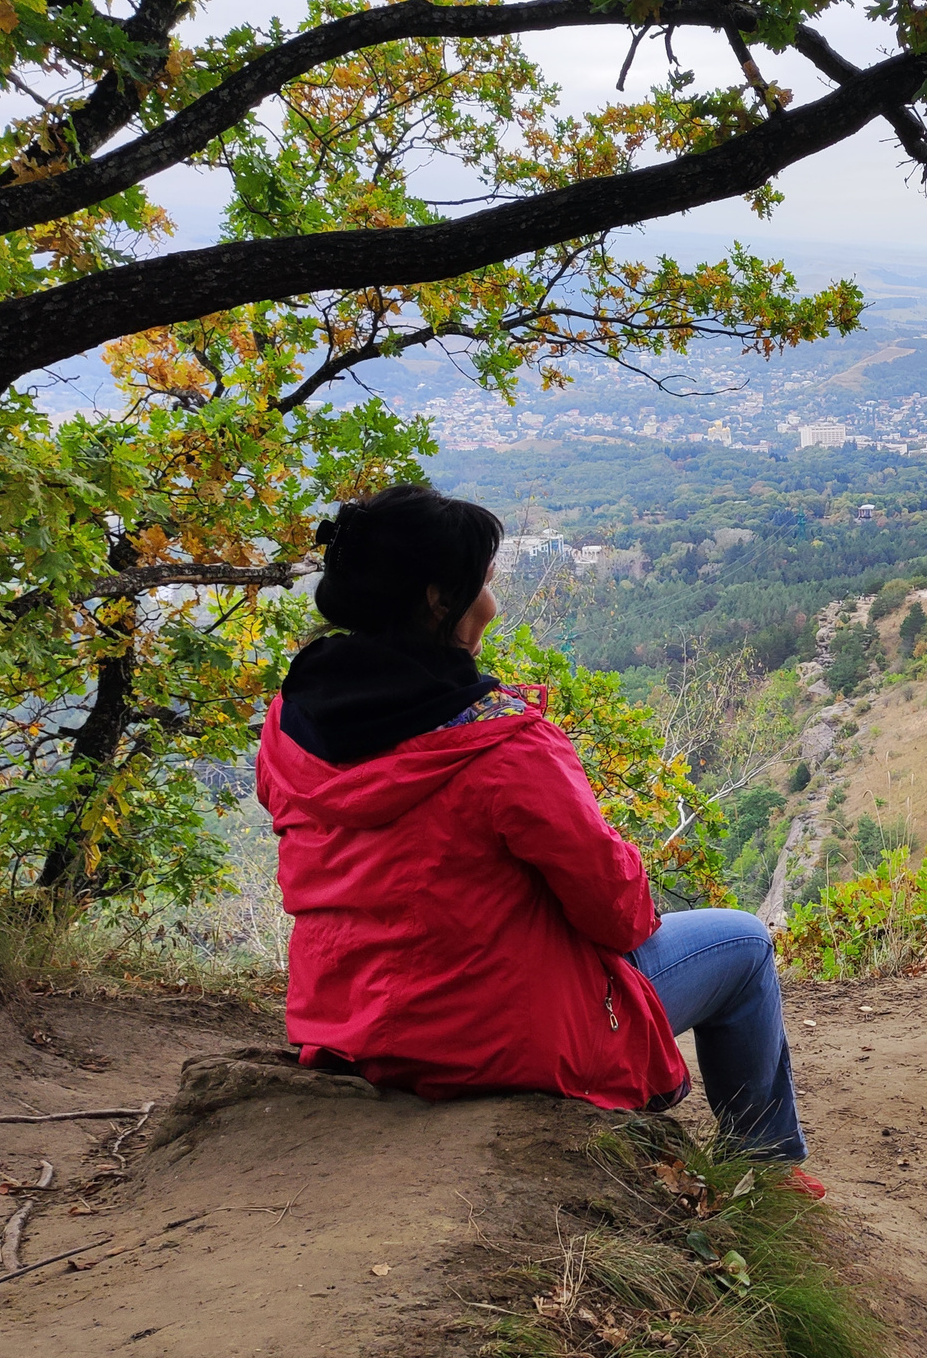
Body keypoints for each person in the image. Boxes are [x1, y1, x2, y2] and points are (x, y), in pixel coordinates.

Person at [253, 483, 808, 1165]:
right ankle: (766, 1169)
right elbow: (617, 915)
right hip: (486, 1033)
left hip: (346, 1022)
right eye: (484, 583)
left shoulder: (291, 720)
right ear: (439, 599)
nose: (493, 600)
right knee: (745, 943)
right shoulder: (501, 746)